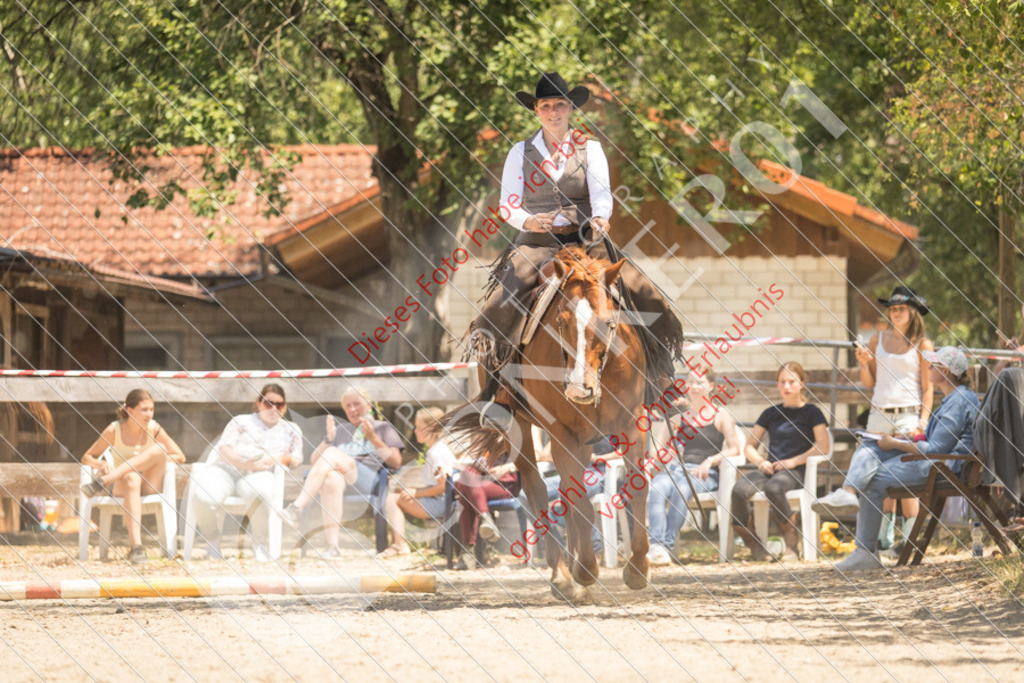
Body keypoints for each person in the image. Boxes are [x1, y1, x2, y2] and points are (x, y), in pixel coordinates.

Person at [468, 72, 683, 426]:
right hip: (537, 245)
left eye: (559, 105)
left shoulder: (590, 147)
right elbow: (508, 204)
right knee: (493, 312)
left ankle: (663, 381)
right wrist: (528, 221)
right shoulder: (519, 151)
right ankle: (497, 398)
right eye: (546, 106)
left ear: (570, 108)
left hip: (586, 242)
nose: (553, 111)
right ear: (536, 110)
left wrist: (600, 219)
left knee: (648, 294)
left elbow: (601, 197)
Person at [834, 347, 980, 571]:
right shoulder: (955, 398)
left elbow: (936, 448)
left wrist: (895, 444)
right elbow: (936, 441)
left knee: (873, 480)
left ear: (946, 371)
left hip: (943, 466)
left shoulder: (958, 402)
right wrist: (908, 439)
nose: (929, 368)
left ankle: (865, 550)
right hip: (938, 461)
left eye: (933, 365)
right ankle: (848, 494)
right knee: (871, 448)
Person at [813, 286, 934, 551]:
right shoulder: (876, 340)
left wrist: (922, 422)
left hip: (908, 414)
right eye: (892, 308)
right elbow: (871, 382)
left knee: (905, 475)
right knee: (874, 468)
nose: (896, 312)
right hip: (879, 413)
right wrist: (864, 363)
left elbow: (928, 387)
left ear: (913, 312)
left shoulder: (923, 344)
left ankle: (910, 541)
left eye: (901, 308)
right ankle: (881, 537)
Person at [280, 387, 403, 557]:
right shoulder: (342, 430)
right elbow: (316, 462)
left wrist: (373, 438)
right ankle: (333, 546)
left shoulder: (382, 428)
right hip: (343, 480)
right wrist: (329, 439)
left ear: (368, 405)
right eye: (348, 406)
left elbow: (396, 462)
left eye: (357, 404)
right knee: (331, 478)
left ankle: (296, 507)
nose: (353, 409)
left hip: (369, 480)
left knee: (331, 454)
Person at [191, 384, 303, 561]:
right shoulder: (241, 421)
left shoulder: (291, 429)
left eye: (279, 404)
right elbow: (224, 448)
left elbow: (296, 459)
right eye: (268, 403)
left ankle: (259, 542)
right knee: (203, 496)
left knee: (261, 492)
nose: (274, 408)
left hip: (259, 474)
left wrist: (274, 459)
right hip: (226, 469)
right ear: (258, 403)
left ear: (285, 407)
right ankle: (212, 539)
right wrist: (242, 463)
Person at [732, 362, 830, 561]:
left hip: (796, 471)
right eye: (782, 382)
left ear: (801, 384)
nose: (787, 387)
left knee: (774, 488)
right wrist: (760, 462)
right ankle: (754, 543)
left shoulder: (812, 412)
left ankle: (791, 541)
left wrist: (793, 461)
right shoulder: (770, 413)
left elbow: (823, 446)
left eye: (791, 382)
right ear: (777, 384)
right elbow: (749, 446)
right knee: (738, 490)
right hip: (771, 469)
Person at [646, 368, 741, 566]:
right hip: (678, 470)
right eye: (691, 382)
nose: (695, 387)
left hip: (705, 474)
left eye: (701, 383)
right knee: (656, 487)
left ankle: (667, 546)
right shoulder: (680, 415)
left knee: (682, 490)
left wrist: (711, 461)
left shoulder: (720, 414)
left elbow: (734, 449)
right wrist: (667, 452)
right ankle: (656, 547)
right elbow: (659, 449)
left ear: (711, 386)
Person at [80, 389, 186, 564]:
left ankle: (103, 481)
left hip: (149, 483)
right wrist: (101, 464)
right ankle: (136, 546)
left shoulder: (155, 428)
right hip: (124, 486)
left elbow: (180, 456)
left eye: (151, 409)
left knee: (159, 449)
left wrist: (148, 460)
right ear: (130, 411)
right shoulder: (114, 430)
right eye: (144, 410)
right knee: (132, 478)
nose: (149, 414)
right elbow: (87, 457)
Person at [378, 407, 459, 558]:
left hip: (444, 503)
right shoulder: (436, 449)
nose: (415, 431)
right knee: (395, 496)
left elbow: (444, 487)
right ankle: (398, 544)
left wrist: (416, 493)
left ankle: (399, 545)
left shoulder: (437, 453)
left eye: (420, 427)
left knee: (391, 499)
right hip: (440, 499)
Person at [453, 451, 520, 569]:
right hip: (482, 479)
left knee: (465, 493)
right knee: (467, 472)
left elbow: (535, 456)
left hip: (505, 483)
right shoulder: (481, 436)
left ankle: (467, 553)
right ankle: (486, 519)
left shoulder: (515, 434)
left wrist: (508, 467)